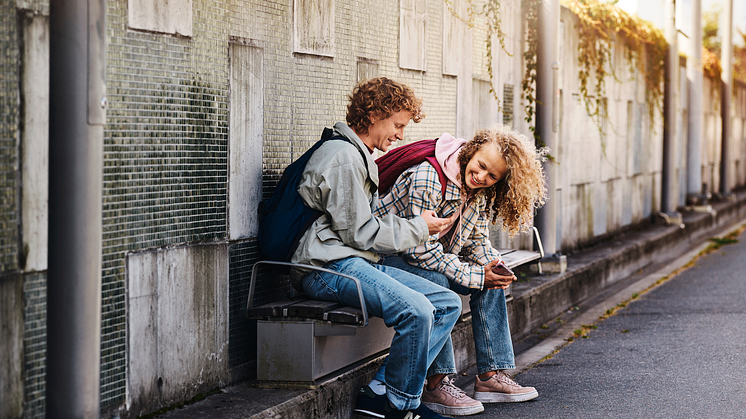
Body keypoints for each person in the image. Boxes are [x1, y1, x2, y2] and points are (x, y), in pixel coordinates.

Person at [290, 77, 462, 419]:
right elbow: (361, 233)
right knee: (417, 310)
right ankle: (401, 407)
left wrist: (419, 227)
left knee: (445, 303)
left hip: (352, 261)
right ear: (373, 114)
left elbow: (361, 232)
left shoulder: (355, 154)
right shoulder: (342, 158)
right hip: (326, 267)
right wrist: (419, 228)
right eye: (397, 125)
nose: (400, 135)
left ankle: (381, 392)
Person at [372, 124, 547, 416]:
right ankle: (436, 383)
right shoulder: (429, 176)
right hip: (385, 258)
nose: (481, 177)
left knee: (490, 280)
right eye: (480, 167)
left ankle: (491, 377)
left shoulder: (474, 190)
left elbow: (475, 239)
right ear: (470, 151)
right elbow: (419, 251)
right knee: (440, 281)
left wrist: (492, 265)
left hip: (425, 258)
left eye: (492, 176)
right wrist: (477, 275)